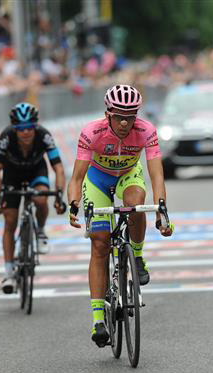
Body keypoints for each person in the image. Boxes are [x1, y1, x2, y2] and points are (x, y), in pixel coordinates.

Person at [67, 84, 174, 346]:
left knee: (136, 202)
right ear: (108, 114)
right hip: (97, 180)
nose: (125, 122)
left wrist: (162, 210)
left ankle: (136, 256)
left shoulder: (146, 131)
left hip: (128, 175)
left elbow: (157, 174)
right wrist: (73, 203)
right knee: (100, 243)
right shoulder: (91, 132)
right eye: (119, 116)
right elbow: (77, 176)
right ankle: (97, 320)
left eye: (131, 115)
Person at [0, 102, 67, 294]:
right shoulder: (6, 137)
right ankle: (8, 272)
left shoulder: (44, 135)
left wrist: (58, 195)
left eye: (29, 127)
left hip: (36, 172)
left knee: (40, 199)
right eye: (21, 129)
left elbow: (58, 168)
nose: (25, 133)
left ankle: (40, 231)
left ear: (35, 126)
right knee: (10, 220)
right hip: (12, 175)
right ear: (14, 128)